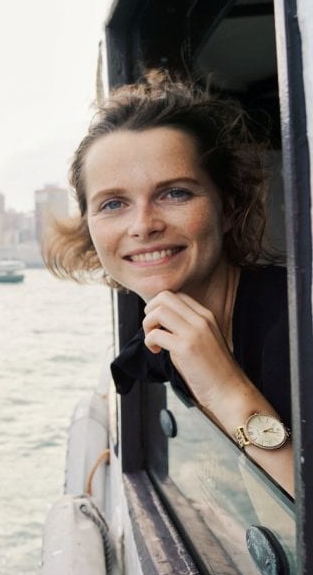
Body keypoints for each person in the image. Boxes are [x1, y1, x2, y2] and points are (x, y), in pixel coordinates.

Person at [44, 72, 293, 495]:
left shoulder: (294, 325)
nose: (143, 225)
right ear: (89, 228)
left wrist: (224, 387)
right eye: (114, 204)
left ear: (228, 208)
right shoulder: (162, 339)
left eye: (175, 193)